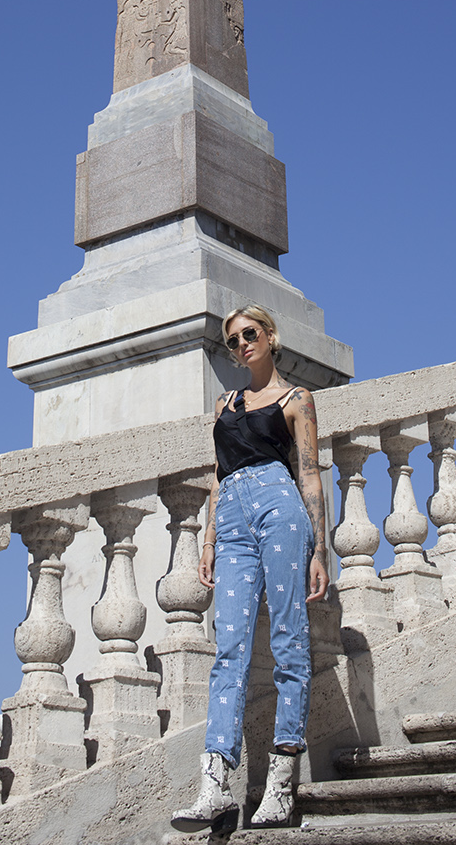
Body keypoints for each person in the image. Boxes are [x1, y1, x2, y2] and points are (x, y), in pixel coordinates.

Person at [171, 304, 329, 833]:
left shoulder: (296, 400)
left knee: (288, 636)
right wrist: (209, 537)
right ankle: (214, 783)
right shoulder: (225, 403)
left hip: (279, 506)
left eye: (249, 334)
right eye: (233, 340)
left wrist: (320, 549)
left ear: (270, 337)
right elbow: (217, 477)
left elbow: (309, 476)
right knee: (229, 646)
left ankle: (282, 782)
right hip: (233, 513)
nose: (241, 345)